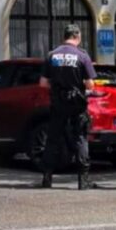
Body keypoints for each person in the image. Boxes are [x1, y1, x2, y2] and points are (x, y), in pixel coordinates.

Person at [39, 24, 96, 190]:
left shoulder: (52, 55)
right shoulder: (82, 56)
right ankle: (83, 180)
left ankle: (47, 177)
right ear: (77, 37)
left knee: (53, 139)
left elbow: (43, 83)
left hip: (58, 103)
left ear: (64, 36)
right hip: (77, 104)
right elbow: (90, 84)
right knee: (80, 138)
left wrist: (58, 87)